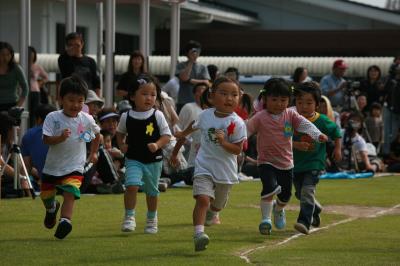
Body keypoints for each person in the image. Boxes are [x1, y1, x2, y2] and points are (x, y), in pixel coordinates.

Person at [246, 78, 327, 236]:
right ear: (265, 99)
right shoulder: (260, 117)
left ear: (288, 100)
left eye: (283, 100)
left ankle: (279, 209)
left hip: (286, 163)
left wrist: (317, 135)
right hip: (266, 161)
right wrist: (238, 141)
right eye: (274, 99)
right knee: (268, 189)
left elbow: (305, 124)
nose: (278, 103)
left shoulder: (290, 114)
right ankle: (265, 220)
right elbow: (246, 130)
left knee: (285, 195)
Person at [174, 76, 247, 251]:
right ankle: (199, 234)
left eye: (234, 95)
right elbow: (195, 123)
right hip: (204, 165)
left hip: (225, 170)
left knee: (217, 204)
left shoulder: (237, 123)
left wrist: (223, 142)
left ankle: (213, 212)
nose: (229, 98)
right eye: (223, 93)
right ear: (212, 96)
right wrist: (183, 133)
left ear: (239, 98)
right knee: (202, 199)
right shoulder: (205, 115)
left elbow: (238, 150)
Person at [41, 75, 101, 239]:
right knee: (46, 195)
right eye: (71, 100)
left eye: (80, 101)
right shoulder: (53, 117)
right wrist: (59, 138)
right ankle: (52, 208)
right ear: (60, 99)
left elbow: (96, 136)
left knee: (70, 192)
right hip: (52, 166)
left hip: (75, 166)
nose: (75, 105)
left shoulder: (86, 119)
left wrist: (93, 152)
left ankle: (65, 221)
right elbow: (46, 140)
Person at [116, 74, 171, 234]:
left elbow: (167, 135)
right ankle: (129, 217)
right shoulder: (126, 116)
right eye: (144, 94)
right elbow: (120, 133)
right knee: (131, 186)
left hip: (153, 160)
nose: (149, 98)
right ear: (132, 96)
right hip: (133, 158)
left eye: (153, 94)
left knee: (152, 192)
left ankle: (152, 218)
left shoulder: (157, 115)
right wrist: (121, 145)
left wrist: (157, 144)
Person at [292, 82, 342, 234]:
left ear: (317, 104)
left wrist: (338, 149)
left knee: (307, 192)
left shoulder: (322, 121)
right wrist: (296, 144)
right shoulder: (292, 119)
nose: (304, 106)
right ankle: (316, 208)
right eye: (300, 102)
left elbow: (336, 132)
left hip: (314, 163)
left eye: (309, 103)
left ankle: (304, 222)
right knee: (300, 193)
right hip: (295, 164)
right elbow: (284, 137)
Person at [21, 104, 57, 191]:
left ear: (39, 119)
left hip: (46, 183)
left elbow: (26, 166)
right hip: (71, 179)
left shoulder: (29, 135)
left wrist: (24, 183)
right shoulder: (62, 131)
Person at [175, 40, 210, 113]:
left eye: (197, 51)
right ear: (187, 52)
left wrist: (189, 80)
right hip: (184, 101)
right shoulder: (181, 65)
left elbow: (206, 82)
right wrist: (191, 61)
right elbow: (184, 78)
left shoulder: (202, 67)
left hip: (200, 101)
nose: (196, 53)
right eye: (193, 51)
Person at [0, 42, 29, 112]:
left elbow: (25, 88)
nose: (5, 58)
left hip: (12, 104)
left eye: (8, 55)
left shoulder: (16, 69)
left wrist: (18, 106)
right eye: (2, 55)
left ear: (12, 55)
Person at [28, 46, 49, 126]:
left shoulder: (37, 67)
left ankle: (33, 127)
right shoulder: (22, 65)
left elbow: (46, 77)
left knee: (35, 112)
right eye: (29, 56)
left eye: (32, 56)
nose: (31, 58)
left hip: (36, 91)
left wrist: (40, 83)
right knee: (26, 112)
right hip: (25, 92)